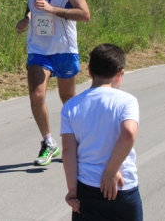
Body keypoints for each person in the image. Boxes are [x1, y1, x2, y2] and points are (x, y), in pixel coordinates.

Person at [15, 0, 90, 166]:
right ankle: (48, 143)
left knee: (67, 98)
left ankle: (78, 141)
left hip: (64, 48)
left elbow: (85, 14)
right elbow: (31, 7)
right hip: (38, 49)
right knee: (37, 95)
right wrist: (25, 20)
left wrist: (53, 10)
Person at [61, 44, 142, 220]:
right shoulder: (127, 101)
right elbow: (129, 133)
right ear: (120, 74)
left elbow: (68, 151)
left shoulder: (70, 106)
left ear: (89, 70)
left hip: (87, 189)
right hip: (121, 187)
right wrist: (111, 170)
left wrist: (73, 191)